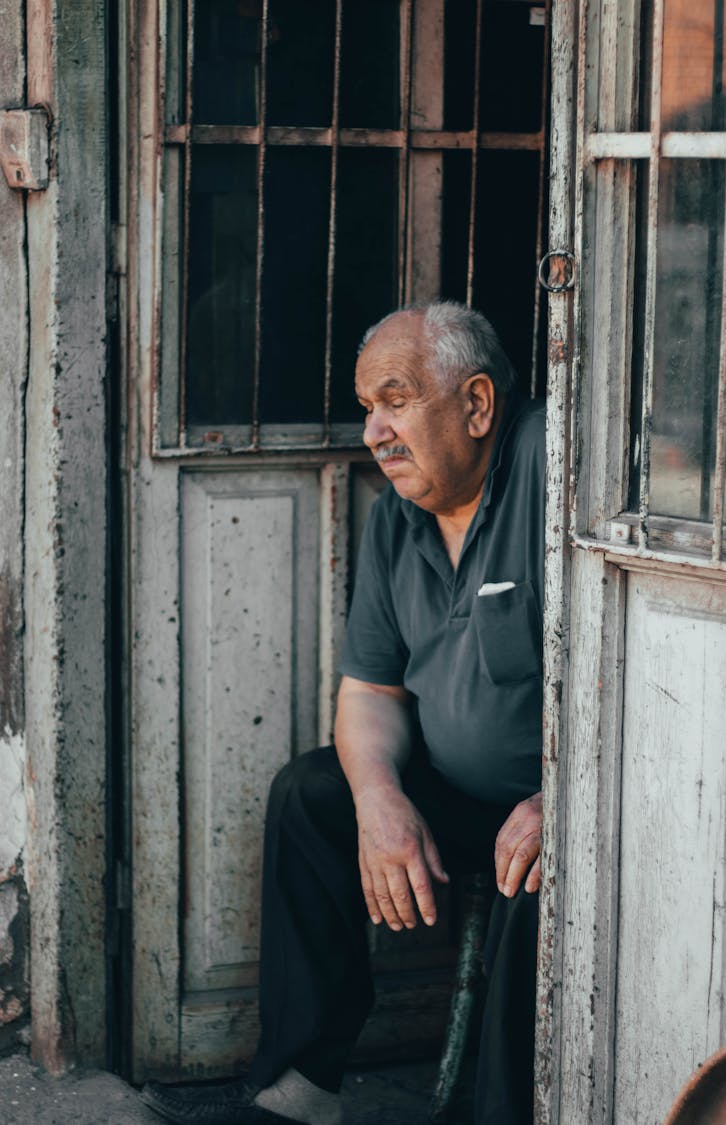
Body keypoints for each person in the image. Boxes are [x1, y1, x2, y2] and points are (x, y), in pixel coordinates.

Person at [142, 301, 545, 1125]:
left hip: (557, 807)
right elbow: (370, 691)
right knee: (312, 794)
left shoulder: (552, 467)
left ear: (476, 405)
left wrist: (573, 798)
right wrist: (379, 799)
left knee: (540, 870)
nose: (374, 432)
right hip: (462, 794)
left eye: (395, 399)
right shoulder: (401, 515)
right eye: (369, 408)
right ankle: (298, 1093)